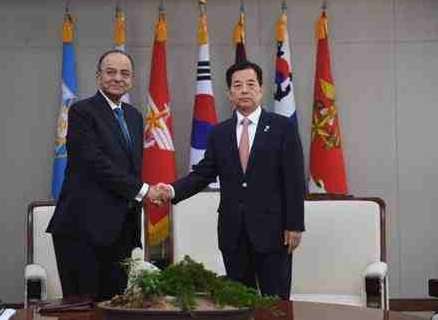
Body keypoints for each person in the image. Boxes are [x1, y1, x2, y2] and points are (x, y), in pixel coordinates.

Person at [157, 61, 306, 299]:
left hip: (274, 231)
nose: (244, 90)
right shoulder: (219, 132)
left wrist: (295, 224)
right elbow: (203, 173)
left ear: (260, 89)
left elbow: (294, 179)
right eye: (237, 85)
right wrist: (171, 190)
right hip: (233, 232)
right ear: (229, 93)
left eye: (250, 84)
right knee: (239, 303)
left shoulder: (282, 128)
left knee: (276, 304)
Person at [46, 49, 163, 301]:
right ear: (99, 76)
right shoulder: (81, 112)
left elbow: (130, 168)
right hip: (83, 230)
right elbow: (95, 164)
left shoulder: (133, 116)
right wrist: (145, 191)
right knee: (83, 309)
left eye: (124, 73)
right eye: (110, 72)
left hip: (120, 230)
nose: (117, 78)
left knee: (115, 307)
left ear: (131, 80)